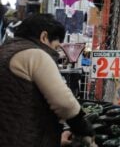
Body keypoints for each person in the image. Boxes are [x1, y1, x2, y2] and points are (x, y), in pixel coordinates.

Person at [0, 14, 96, 147]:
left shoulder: (5, 51)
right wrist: (84, 130)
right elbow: (64, 103)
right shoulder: (35, 54)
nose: (56, 52)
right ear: (44, 37)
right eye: (56, 47)